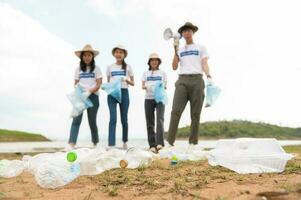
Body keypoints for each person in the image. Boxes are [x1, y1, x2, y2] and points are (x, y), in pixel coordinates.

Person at [167, 22, 212, 146]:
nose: (187, 32)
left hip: (197, 80)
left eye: (189, 30)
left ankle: (193, 143)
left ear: (193, 32)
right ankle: (170, 142)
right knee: (175, 111)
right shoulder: (180, 49)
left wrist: (209, 76)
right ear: (181, 34)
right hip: (182, 80)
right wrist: (175, 49)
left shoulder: (200, 48)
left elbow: (204, 63)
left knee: (195, 113)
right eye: (184, 31)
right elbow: (174, 66)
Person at [68, 44, 102, 149]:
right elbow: (75, 83)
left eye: (89, 55)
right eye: (85, 55)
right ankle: (71, 143)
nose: (87, 57)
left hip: (93, 97)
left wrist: (89, 91)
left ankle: (95, 143)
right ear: (82, 57)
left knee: (92, 121)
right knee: (76, 120)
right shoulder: (78, 69)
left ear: (92, 57)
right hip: (80, 96)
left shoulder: (96, 69)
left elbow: (99, 83)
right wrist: (79, 90)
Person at [106, 45, 134, 149]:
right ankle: (111, 144)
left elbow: (133, 83)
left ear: (124, 55)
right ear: (114, 54)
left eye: (121, 52)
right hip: (112, 93)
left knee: (124, 119)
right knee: (113, 118)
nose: (118, 54)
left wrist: (127, 80)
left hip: (124, 92)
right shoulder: (109, 67)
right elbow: (108, 81)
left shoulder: (128, 67)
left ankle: (125, 141)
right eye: (117, 52)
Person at [142, 53, 167, 153]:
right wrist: (146, 87)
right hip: (148, 99)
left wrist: (161, 86)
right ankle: (152, 145)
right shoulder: (145, 73)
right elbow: (142, 85)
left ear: (159, 62)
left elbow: (165, 86)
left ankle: (160, 143)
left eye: (156, 60)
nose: (154, 62)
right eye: (152, 60)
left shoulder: (162, 73)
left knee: (160, 120)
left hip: (160, 99)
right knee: (150, 122)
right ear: (149, 62)